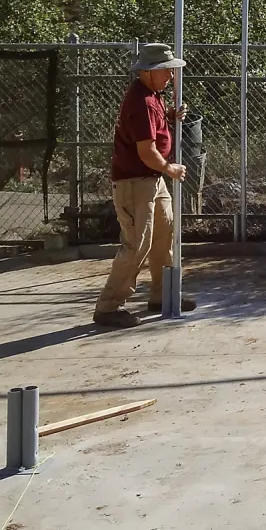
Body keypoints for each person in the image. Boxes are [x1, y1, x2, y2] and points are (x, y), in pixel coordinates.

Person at [93, 43, 198, 328]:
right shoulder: (141, 102)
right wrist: (169, 168)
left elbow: (155, 134)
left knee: (164, 234)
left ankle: (162, 293)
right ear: (147, 72)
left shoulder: (153, 96)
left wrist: (171, 118)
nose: (170, 76)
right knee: (137, 244)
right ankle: (109, 306)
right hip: (136, 181)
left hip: (151, 179)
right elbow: (146, 151)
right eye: (164, 71)